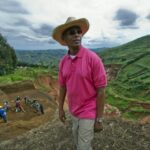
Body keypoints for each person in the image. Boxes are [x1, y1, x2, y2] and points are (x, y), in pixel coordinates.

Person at [52, 17, 107, 150]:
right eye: (72, 33)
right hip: (74, 110)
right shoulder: (63, 62)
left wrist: (99, 119)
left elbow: (101, 91)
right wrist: (60, 109)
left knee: (83, 146)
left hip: (89, 110)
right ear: (64, 39)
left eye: (78, 32)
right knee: (77, 139)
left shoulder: (93, 59)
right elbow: (63, 87)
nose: (77, 35)